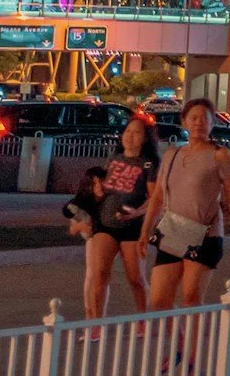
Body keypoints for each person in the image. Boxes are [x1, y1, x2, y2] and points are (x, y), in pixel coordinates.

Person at [142, 98, 230, 308]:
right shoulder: (172, 154)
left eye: (205, 119)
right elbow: (158, 196)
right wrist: (145, 231)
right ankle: (175, 340)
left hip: (205, 234)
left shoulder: (220, 156)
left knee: (191, 297)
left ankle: (193, 341)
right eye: (194, 118)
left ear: (212, 123)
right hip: (174, 231)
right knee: (159, 300)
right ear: (184, 122)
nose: (199, 123)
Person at [83, 113, 160, 319]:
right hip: (106, 223)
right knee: (99, 274)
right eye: (128, 131)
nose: (131, 136)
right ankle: (96, 324)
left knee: (135, 277)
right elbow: (99, 188)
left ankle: (144, 318)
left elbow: (154, 198)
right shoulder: (113, 158)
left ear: (145, 139)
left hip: (132, 228)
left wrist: (138, 212)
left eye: (137, 133)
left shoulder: (148, 165)